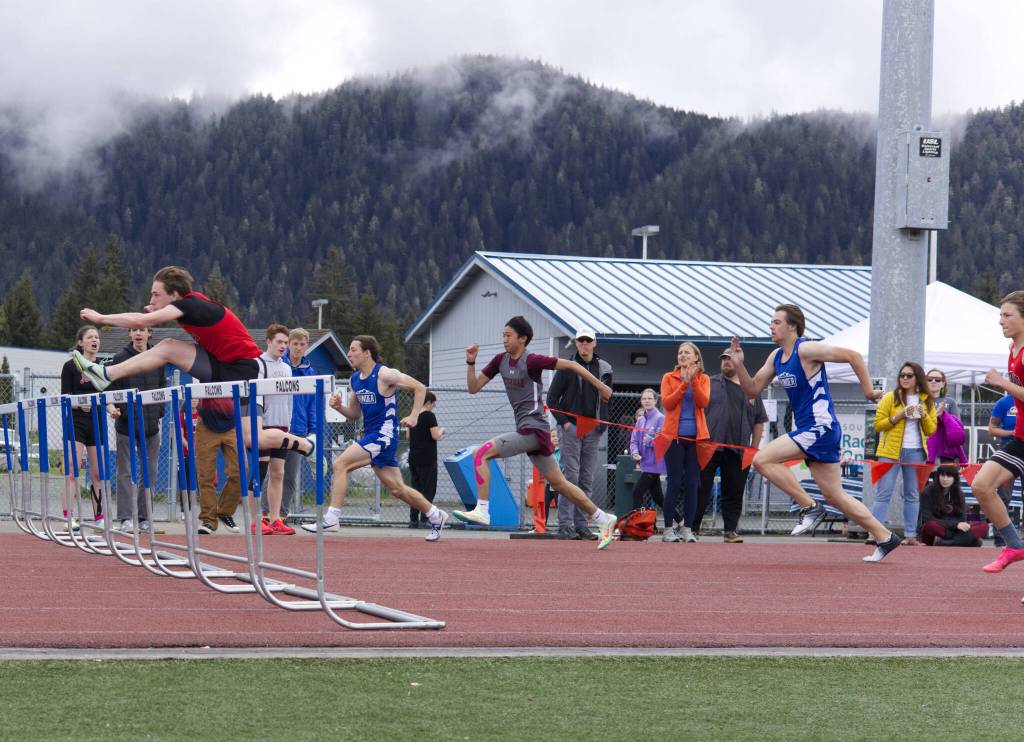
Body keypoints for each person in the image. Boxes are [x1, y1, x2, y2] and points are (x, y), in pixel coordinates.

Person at [72, 266, 314, 458]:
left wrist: (101, 317)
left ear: (175, 295)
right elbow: (146, 315)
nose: (151, 299)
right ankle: (107, 374)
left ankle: (303, 443)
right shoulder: (185, 307)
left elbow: (140, 321)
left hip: (245, 368)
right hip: (221, 363)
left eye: (156, 294)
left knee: (253, 439)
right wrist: (155, 306)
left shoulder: (191, 304)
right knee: (167, 346)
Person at [727, 304, 901, 563]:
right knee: (835, 495)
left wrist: (867, 392)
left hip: (820, 428)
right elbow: (752, 390)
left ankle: (809, 507)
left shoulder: (806, 349)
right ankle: (885, 536)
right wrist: (739, 365)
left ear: (792, 326)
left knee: (762, 460)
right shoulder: (775, 357)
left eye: (776, 322)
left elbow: (853, 355)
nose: (771, 326)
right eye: (771, 322)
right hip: (811, 429)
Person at [453, 316, 618, 550]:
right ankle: (603, 518)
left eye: (508, 336)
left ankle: (482, 510)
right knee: (561, 484)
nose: (504, 340)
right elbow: (473, 388)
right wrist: (471, 363)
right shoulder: (500, 360)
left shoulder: (533, 361)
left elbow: (571, 365)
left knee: (481, 453)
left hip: (534, 430)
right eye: (503, 335)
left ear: (523, 339)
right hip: (529, 432)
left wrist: (601, 386)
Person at [301, 336, 449, 542]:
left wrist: (414, 416)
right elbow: (353, 413)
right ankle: (436, 514)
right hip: (372, 435)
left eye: (353, 350)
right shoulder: (355, 380)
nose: (349, 354)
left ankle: (332, 518)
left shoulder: (385, 374)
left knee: (340, 463)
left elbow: (420, 387)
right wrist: (338, 407)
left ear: (366, 353)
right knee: (398, 489)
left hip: (384, 436)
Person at [966, 291, 1024, 574]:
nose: (1000, 321)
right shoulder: (1013, 350)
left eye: (1007, 315)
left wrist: (1002, 382)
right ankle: (1014, 546)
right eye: (1000, 315)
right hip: (1021, 439)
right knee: (981, 485)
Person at [546, 328, 614, 540]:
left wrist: (602, 424)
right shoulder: (567, 367)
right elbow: (551, 399)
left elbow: (607, 398)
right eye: (581, 340)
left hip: (593, 428)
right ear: (576, 343)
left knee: (586, 477)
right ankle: (565, 524)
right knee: (570, 476)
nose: (584, 344)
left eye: (588, 340)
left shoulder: (605, 368)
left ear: (594, 343)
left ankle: (582, 524)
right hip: (572, 428)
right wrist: (565, 423)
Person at [695, 349, 768, 544]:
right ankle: (693, 529)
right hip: (709, 445)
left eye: (730, 359)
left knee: (734, 490)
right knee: (700, 488)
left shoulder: (750, 388)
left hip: (739, 448)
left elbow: (759, 421)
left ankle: (730, 531)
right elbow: (697, 411)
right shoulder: (709, 382)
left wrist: (753, 449)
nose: (726, 362)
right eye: (724, 359)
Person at [107, 325, 166, 533]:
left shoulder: (157, 357)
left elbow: (161, 386)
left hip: (151, 426)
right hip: (126, 425)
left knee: (150, 471)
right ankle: (125, 518)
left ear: (150, 333)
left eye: (143, 330)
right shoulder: (120, 357)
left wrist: (160, 411)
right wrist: (120, 409)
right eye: (134, 330)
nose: (139, 333)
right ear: (129, 334)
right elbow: (113, 388)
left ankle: (145, 517)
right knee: (125, 472)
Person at [871, 361, 937, 546]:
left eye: (909, 375)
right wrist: (899, 416)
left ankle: (910, 535)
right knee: (883, 493)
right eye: (902, 375)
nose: (905, 379)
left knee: (913, 494)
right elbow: (878, 424)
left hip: (916, 451)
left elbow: (931, 430)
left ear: (918, 378)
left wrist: (923, 416)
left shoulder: (927, 400)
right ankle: (875, 532)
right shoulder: (890, 397)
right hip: (890, 451)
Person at [659, 342, 710, 543]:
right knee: (674, 483)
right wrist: (683, 384)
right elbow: (667, 403)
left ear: (696, 357)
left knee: (692, 484)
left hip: (696, 439)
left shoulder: (704, 378)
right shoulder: (668, 377)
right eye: (680, 353)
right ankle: (668, 529)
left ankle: (687, 528)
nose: (682, 355)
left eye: (687, 353)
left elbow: (703, 402)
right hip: (674, 438)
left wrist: (693, 381)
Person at [254, 324, 295, 535]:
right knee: (259, 472)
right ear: (268, 341)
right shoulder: (259, 364)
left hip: (282, 426)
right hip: (264, 426)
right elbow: (257, 396)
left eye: (286, 343)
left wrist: (288, 424)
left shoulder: (287, 368)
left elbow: (289, 398)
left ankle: (275, 519)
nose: (283, 346)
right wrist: (258, 424)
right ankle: (255, 521)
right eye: (279, 342)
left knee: (278, 473)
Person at [61, 326, 104, 527]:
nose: (94, 340)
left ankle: (99, 517)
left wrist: (112, 408)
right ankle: (69, 517)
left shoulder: (103, 367)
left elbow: (108, 395)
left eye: (96, 337)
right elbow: (65, 397)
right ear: (81, 342)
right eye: (90, 337)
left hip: (96, 422)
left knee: (97, 473)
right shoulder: (70, 367)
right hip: (76, 421)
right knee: (72, 469)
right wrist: (80, 402)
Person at [280, 328, 317, 522]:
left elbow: (312, 404)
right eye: (295, 344)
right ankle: (266, 513)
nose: (298, 348)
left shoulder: (309, 372)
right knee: (274, 473)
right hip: (279, 427)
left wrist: (313, 431)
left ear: (306, 346)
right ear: (289, 345)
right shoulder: (280, 364)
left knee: (290, 476)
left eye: (302, 344)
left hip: (299, 430)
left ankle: (282, 514)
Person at [194, 398, 242, 534]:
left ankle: (225, 512)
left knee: (240, 471)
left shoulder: (235, 376)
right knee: (205, 475)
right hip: (206, 424)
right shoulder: (206, 376)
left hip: (230, 424)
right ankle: (208, 520)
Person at [919, 465, 987, 546]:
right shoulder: (927, 492)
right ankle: (967, 541)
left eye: (949, 476)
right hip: (941, 528)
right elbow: (927, 518)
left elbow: (962, 517)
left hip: (956, 530)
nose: (945, 479)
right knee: (929, 526)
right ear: (938, 476)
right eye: (943, 475)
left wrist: (960, 525)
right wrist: (954, 525)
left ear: (955, 478)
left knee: (983, 525)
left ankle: (949, 543)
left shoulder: (959, 493)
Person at [407, 391, 446, 528]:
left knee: (415, 489)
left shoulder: (413, 416)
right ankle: (425, 518)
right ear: (428, 402)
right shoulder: (429, 416)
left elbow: (407, 436)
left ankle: (413, 520)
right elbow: (435, 436)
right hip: (427, 457)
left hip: (413, 457)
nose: (433, 407)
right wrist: (442, 431)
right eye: (433, 404)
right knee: (428, 489)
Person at [629, 389, 666, 512]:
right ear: (641, 401)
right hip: (644, 463)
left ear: (655, 401)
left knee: (637, 492)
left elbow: (663, 441)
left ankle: (636, 524)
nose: (647, 401)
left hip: (655, 464)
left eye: (650, 398)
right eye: (644, 398)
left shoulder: (661, 418)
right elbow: (634, 440)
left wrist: (650, 441)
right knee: (658, 497)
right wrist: (634, 452)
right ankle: (681, 521)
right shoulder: (640, 420)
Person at [988, 391, 1018, 535]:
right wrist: (1012, 433)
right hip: (1009, 449)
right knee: (1003, 495)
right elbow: (992, 429)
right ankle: (1002, 537)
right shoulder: (1004, 402)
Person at [925, 368, 966, 465]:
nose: (933, 381)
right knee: (923, 479)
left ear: (943, 383)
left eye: (937, 379)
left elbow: (957, 426)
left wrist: (944, 416)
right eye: (930, 379)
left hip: (945, 450)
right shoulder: (920, 400)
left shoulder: (950, 402)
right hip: (924, 447)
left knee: (944, 478)